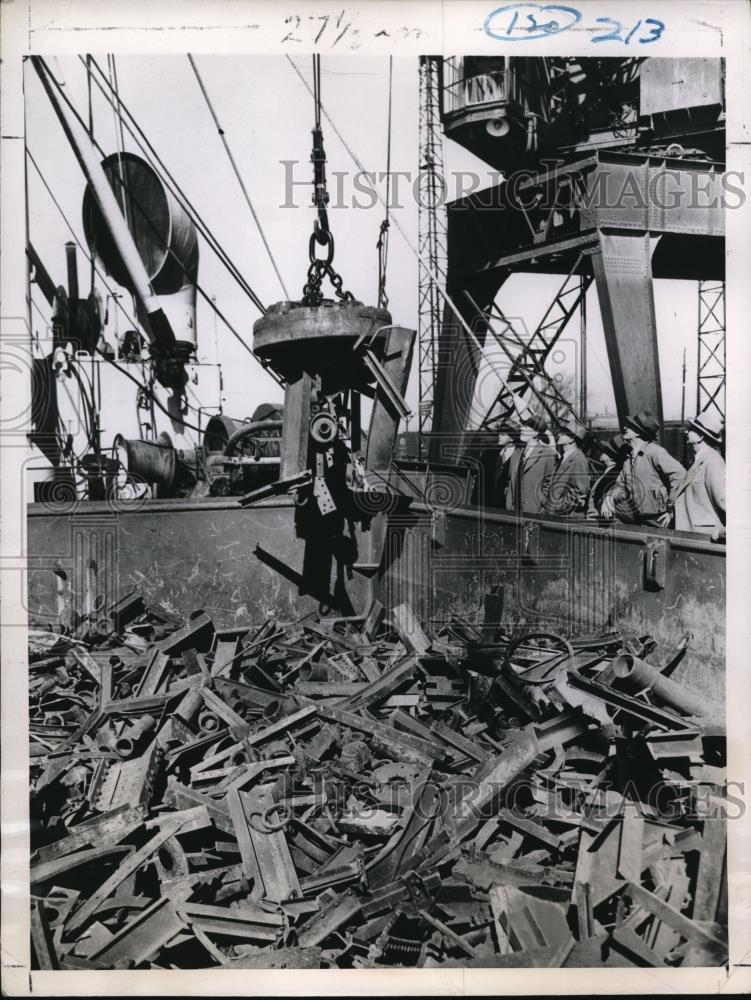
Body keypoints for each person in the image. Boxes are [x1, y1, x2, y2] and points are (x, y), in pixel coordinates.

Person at [601, 410, 685, 527]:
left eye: (629, 426)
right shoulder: (628, 457)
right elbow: (621, 485)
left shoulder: (655, 452)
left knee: (656, 545)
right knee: (609, 514)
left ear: (638, 433)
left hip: (657, 517)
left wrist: (671, 509)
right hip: (638, 514)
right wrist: (609, 498)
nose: (625, 427)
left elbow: (680, 474)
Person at [673, 409, 725, 536]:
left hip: (705, 535)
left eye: (691, 429)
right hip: (693, 532)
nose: (686, 431)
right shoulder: (700, 459)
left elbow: (725, 501)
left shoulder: (713, 461)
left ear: (700, 436)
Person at [512, 413, 558, 513]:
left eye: (526, 427)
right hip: (513, 512)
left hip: (534, 511)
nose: (522, 429)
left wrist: (542, 507)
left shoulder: (548, 454)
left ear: (536, 433)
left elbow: (550, 484)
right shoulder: (516, 453)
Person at [545, 419, 591, 515]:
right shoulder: (565, 457)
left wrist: (556, 507)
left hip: (565, 517)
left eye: (563, 434)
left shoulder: (578, 460)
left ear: (571, 440)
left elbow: (579, 493)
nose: (558, 435)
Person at [586, 434, 629, 519]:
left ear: (611, 457)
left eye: (605, 451)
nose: (601, 452)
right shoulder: (608, 472)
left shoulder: (614, 475)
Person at [494, 429, 520, 510]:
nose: (499, 436)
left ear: (512, 438)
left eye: (503, 434)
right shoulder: (495, 452)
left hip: (505, 503)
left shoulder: (518, 455)